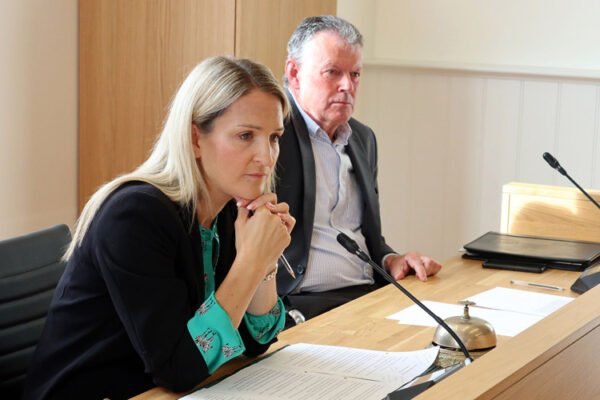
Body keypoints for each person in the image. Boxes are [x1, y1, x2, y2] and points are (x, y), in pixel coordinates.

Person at [24, 56, 295, 399]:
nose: (266, 157)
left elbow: (256, 341)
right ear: (195, 138)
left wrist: (265, 262)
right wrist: (251, 262)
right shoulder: (134, 216)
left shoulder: (230, 209)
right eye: (245, 135)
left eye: (274, 137)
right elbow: (179, 369)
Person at [275, 16, 442, 326]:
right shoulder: (271, 136)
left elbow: (367, 238)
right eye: (332, 72)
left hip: (368, 294)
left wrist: (391, 259)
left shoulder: (363, 138)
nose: (347, 86)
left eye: (355, 74)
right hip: (302, 303)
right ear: (295, 73)